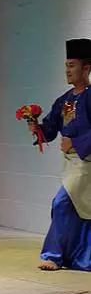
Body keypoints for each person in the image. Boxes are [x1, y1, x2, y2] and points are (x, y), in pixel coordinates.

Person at [29, 38, 91, 271]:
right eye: (66, 65)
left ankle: (53, 255)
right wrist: (36, 127)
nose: (68, 70)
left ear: (87, 68)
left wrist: (75, 142)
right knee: (78, 207)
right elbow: (50, 129)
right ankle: (80, 257)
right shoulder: (64, 100)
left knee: (62, 202)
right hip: (71, 163)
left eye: (73, 65)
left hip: (87, 163)